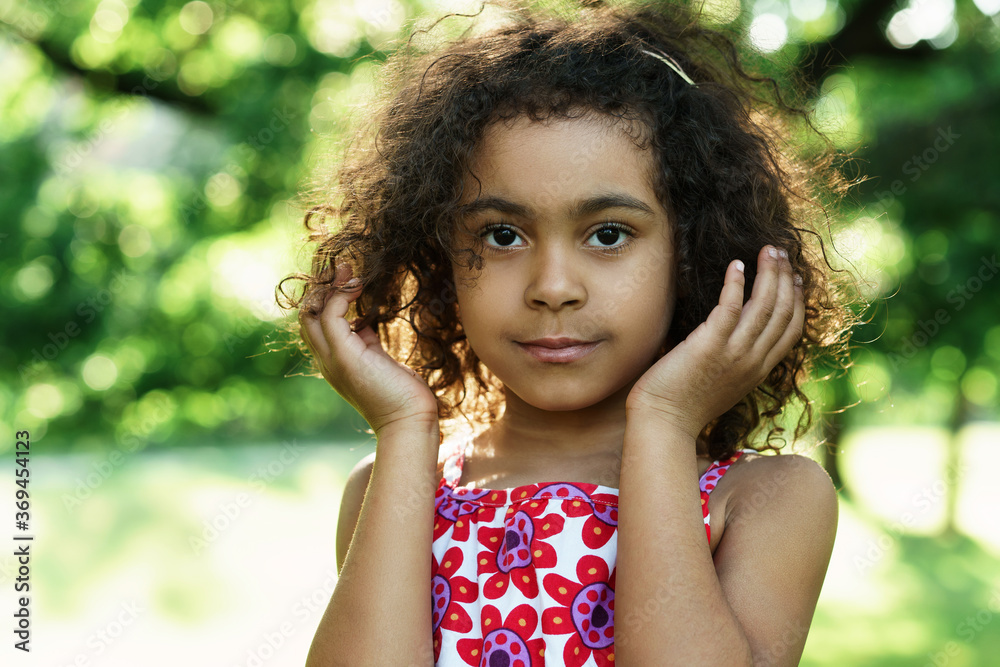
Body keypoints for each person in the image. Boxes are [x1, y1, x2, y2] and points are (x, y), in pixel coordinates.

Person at [279, 1, 856, 664]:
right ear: (441, 264)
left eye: (608, 234)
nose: (553, 285)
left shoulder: (764, 500)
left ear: (694, 253)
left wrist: (664, 421)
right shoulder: (395, 484)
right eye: (503, 235)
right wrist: (406, 426)